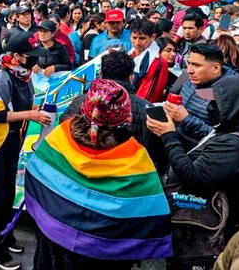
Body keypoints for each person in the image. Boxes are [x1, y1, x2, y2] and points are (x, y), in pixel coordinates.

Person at [28, 79, 171, 270]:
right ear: (124, 116)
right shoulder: (135, 156)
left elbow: (37, 175)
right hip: (105, 251)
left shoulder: (61, 136)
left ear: (85, 108)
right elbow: (148, 205)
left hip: (54, 243)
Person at [147, 73, 239, 255]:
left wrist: (168, 135)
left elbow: (193, 176)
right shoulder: (237, 128)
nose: (211, 107)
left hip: (208, 228)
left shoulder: (234, 144)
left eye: (218, 102)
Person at [0, 31, 52, 270]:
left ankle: (6, 237)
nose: (36, 61)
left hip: (11, 142)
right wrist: (32, 114)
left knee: (8, 193)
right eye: (31, 56)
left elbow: (20, 106)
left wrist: (35, 109)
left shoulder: (23, 77)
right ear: (16, 57)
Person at [61, 51, 165, 169]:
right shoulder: (149, 109)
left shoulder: (80, 102)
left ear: (100, 75)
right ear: (131, 77)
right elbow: (159, 154)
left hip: (83, 168)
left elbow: (64, 132)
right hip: (130, 174)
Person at [166, 44, 237, 148]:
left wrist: (186, 119)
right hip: (176, 141)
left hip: (199, 153)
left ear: (216, 67)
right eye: (189, 63)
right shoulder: (192, 79)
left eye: (196, 65)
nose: (190, 70)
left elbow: (224, 139)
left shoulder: (230, 94)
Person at [129, 19, 169, 103]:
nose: (137, 42)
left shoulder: (158, 63)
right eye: (134, 37)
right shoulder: (131, 53)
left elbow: (149, 95)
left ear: (153, 37)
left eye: (142, 38)